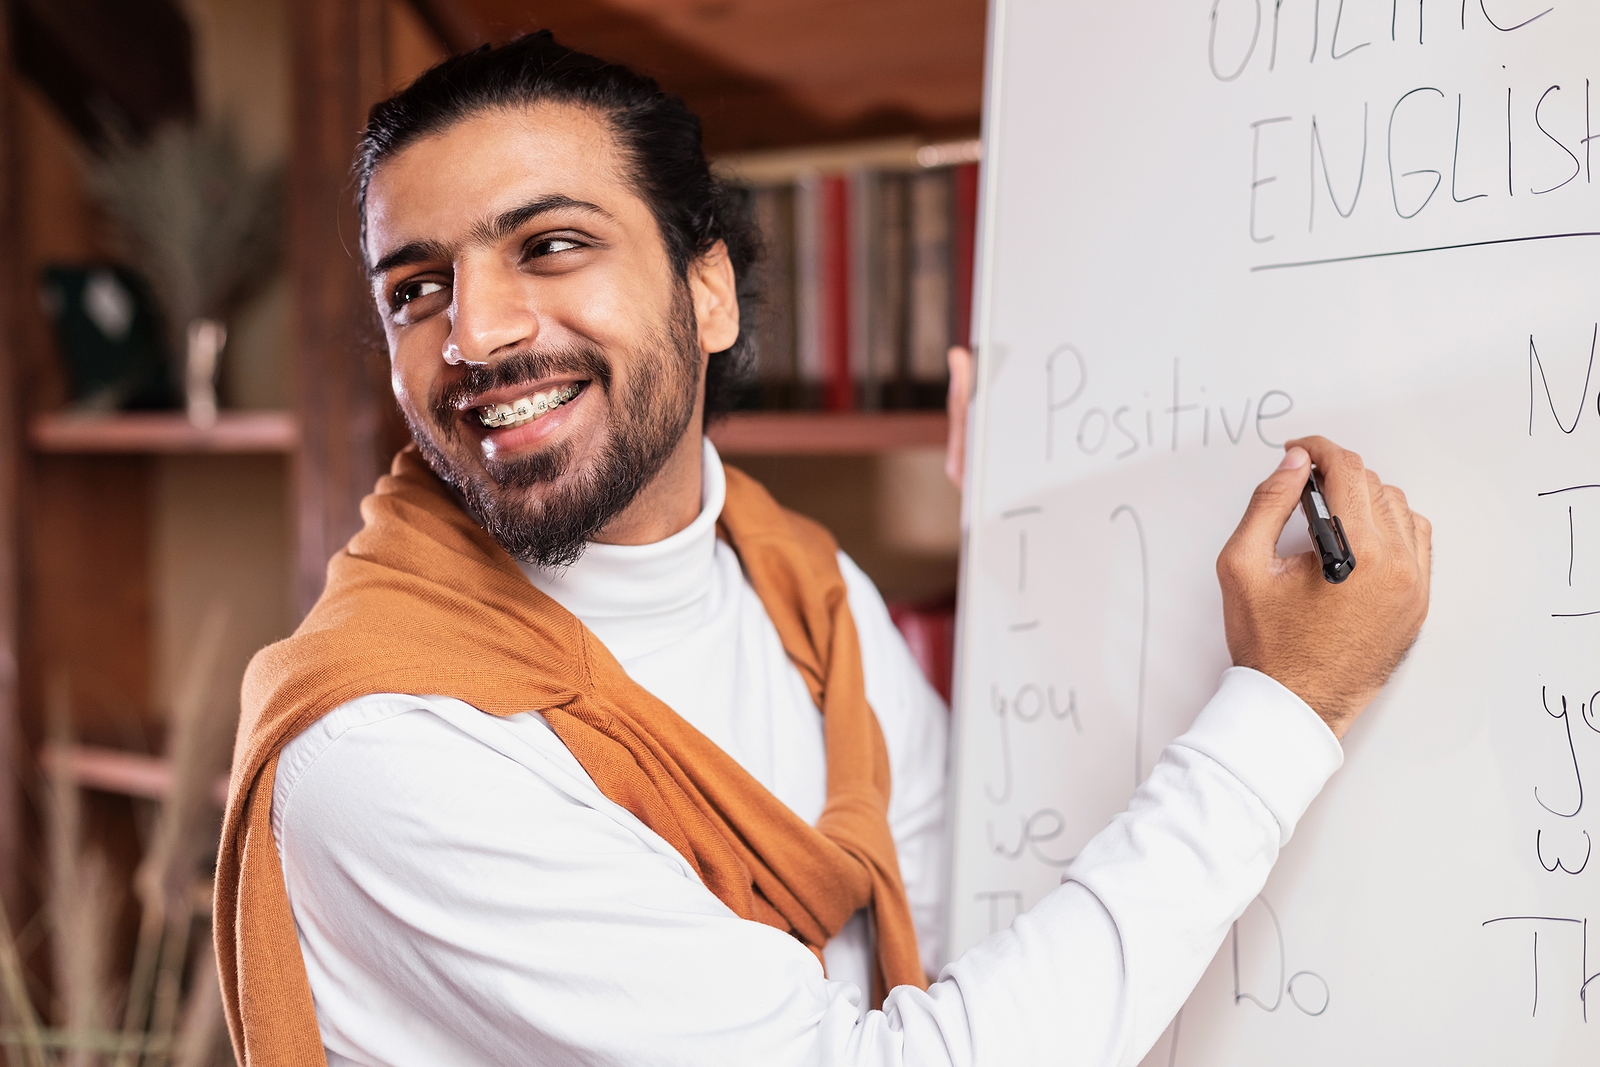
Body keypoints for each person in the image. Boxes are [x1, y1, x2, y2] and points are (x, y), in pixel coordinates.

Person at [215, 32, 1431, 1067]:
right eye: (416, 290)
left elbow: (983, 927)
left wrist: (1043, 560)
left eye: (548, 245)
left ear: (711, 295)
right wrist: (1285, 706)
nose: (474, 333)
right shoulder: (386, 748)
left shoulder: (804, 588)